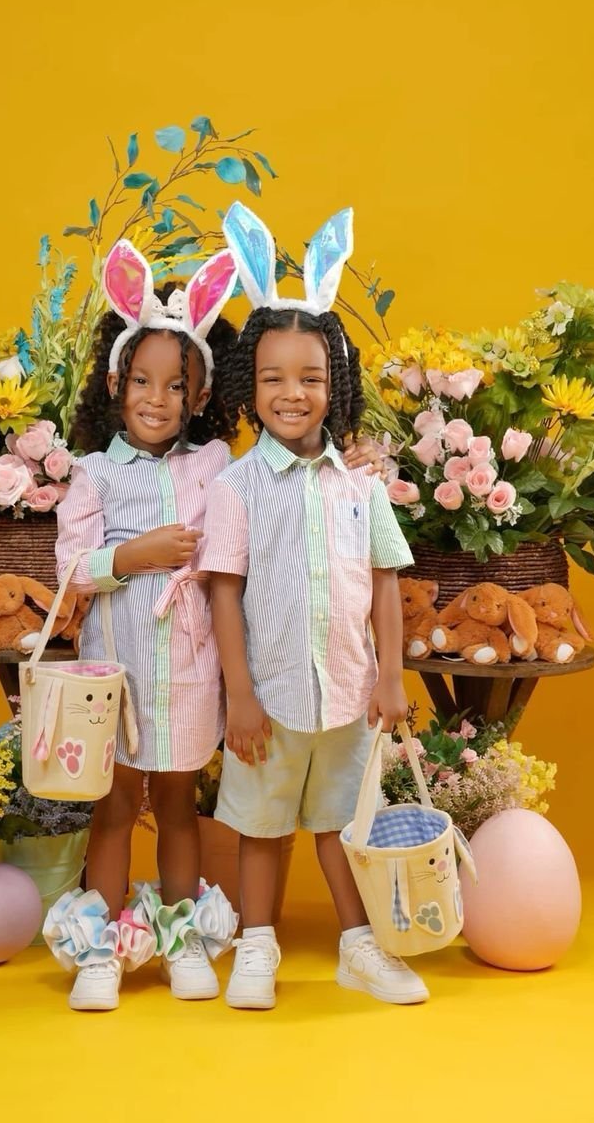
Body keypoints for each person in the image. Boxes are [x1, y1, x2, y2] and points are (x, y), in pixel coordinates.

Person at [201, 202, 429, 1010]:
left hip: (346, 693)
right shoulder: (236, 488)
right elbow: (223, 593)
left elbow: (385, 585)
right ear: (247, 385)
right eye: (271, 378)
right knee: (260, 828)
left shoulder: (360, 489)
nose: (291, 394)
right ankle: (256, 946)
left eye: (309, 379)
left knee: (341, 827)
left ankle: (357, 946)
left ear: (337, 386)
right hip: (268, 698)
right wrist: (241, 696)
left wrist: (391, 679)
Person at [45, 241, 242, 1010]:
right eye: (142, 382)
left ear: (198, 396)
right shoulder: (93, 472)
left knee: (178, 801)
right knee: (117, 803)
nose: (157, 399)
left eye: (177, 386)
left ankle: (182, 936)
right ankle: (103, 949)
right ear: (115, 382)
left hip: (190, 666)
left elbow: (235, 540)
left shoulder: (215, 461)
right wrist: (134, 553)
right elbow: (71, 571)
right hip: (114, 672)